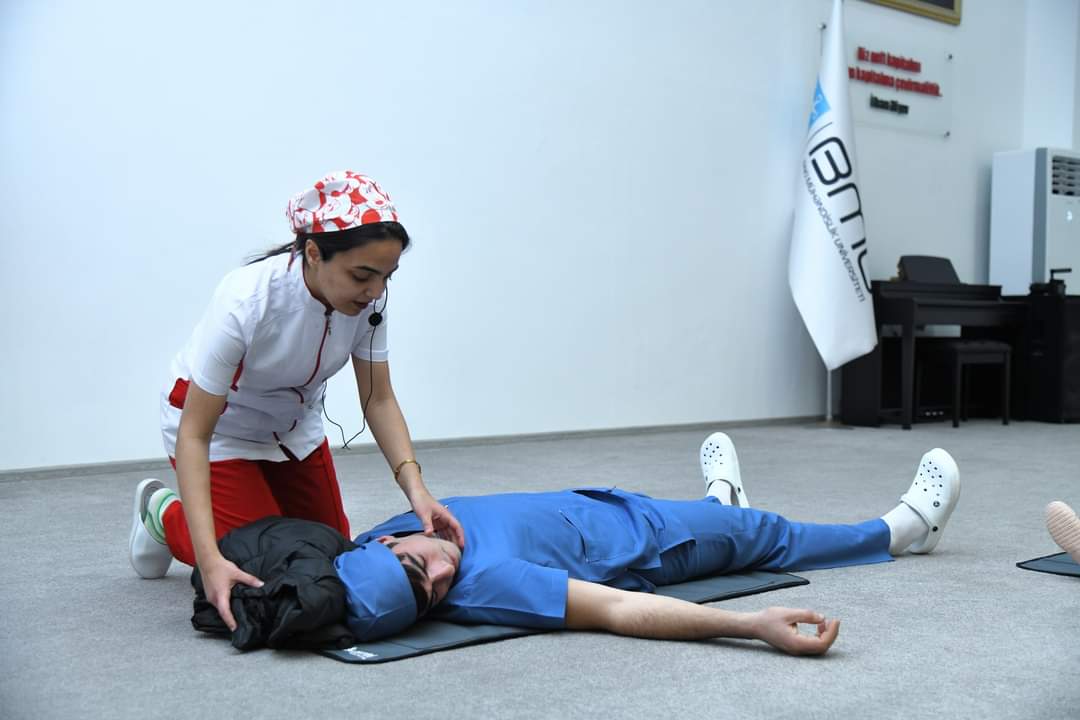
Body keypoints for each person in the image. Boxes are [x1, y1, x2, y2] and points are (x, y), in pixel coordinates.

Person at [129, 170, 465, 633]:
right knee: (259, 571)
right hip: (220, 429)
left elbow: (379, 400)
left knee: (334, 563)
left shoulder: (369, 304)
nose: (375, 292)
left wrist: (417, 491)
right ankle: (164, 515)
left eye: (386, 277)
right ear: (313, 253)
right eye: (362, 275)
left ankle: (223, 514)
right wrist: (209, 560)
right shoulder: (245, 300)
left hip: (292, 428)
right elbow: (195, 433)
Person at [334, 432, 961, 656]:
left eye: (417, 564)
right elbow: (617, 609)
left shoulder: (396, 524)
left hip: (602, 506)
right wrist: (750, 625)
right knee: (769, 536)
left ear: (388, 539)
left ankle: (719, 502)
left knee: (724, 518)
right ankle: (899, 531)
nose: (441, 573)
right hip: (655, 544)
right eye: (430, 595)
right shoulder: (488, 585)